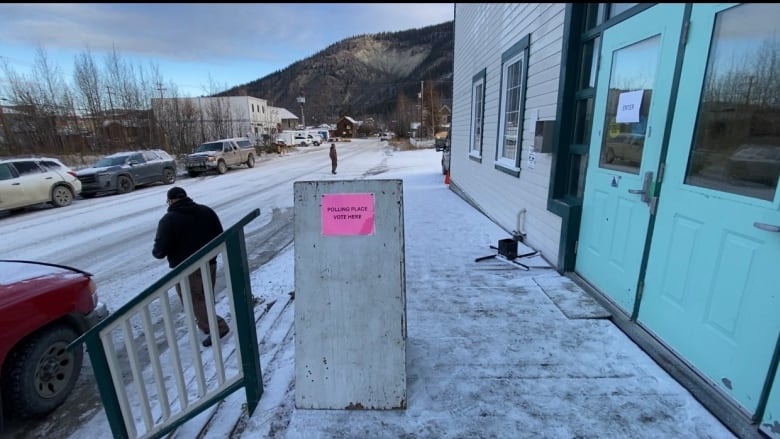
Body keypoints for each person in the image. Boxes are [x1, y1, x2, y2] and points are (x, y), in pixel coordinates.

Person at [152, 186, 230, 347]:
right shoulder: (207, 211)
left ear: (171, 200)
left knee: (194, 301)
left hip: (187, 270)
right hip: (210, 264)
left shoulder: (169, 220)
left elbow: (159, 251)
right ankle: (208, 326)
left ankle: (217, 328)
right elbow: (220, 236)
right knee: (205, 298)